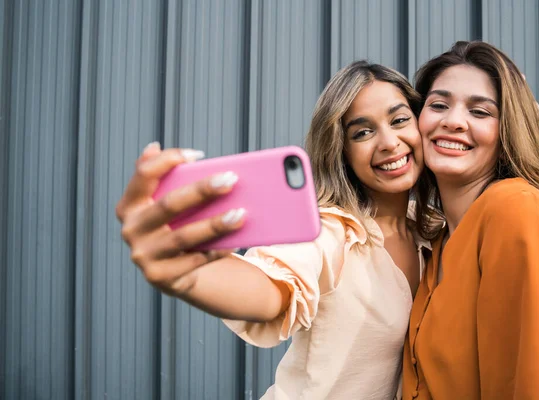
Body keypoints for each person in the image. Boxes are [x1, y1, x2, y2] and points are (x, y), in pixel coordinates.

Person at [116, 61, 430, 399]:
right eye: (362, 132)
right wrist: (190, 277)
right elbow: (270, 288)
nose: (388, 142)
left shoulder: (433, 231)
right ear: (342, 150)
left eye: (399, 120)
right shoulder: (330, 232)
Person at [403, 40, 539, 399]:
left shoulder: (516, 212)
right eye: (439, 105)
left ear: (508, 129)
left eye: (480, 112)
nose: (453, 121)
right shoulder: (437, 241)